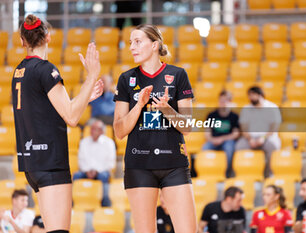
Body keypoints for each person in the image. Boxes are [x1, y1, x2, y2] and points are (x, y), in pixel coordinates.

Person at [12, 14, 102, 233]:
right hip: (51, 162)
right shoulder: (46, 70)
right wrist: (91, 76)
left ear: (23, 41)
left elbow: (51, 108)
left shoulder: (18, 71)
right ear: (48, 38)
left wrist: (83, 98)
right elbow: (71, 117)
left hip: (32, 163)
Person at [113, 24, 197, 233]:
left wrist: (166, 108)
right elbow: (119, 131)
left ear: (154, 45)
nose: (132, 46)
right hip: (139, 164)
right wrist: (139, 105)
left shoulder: (178, 75)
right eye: (131, 42)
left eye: (138, 41)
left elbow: (187, 127)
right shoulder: (126, 79)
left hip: (173, 163)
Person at [235, 86, 281, 178]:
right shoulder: (246, 109)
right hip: (250, 138)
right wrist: (250, 139)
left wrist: (263, 138)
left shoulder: (272, 107)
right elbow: (243, 127)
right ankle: (241, 174)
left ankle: (270, 175)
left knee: (273, 147)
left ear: (260, 95)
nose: (250, 98)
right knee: (238, 147)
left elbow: (274, 127)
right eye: (249, 95)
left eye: (253, 95)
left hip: (268, 137)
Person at [73, 119, 116, 207]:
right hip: (86, 171)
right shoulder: (84, 142)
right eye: (91, 129)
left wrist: (96, 171)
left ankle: (104, 204)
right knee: (76, 175)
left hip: (101, 171)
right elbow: (81, 160)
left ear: (101, 131)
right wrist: (87, 171)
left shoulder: (109, 143)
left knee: (103, 176)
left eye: (95, 129)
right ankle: (74, 204)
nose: (92, 131)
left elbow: (110, 163)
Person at [202, 90, 240, 178]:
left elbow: (236, 134)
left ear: (230, 102)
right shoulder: (211, 115)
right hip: (213, 140)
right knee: (205, 148)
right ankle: (206, 173)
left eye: (225, 101)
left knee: (229, 148)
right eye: (221, 100)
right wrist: (212, 140)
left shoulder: (234, 116)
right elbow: (207, 132)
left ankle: (227, 173)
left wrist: (222, 139)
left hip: (227, 141)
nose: (222, 103)